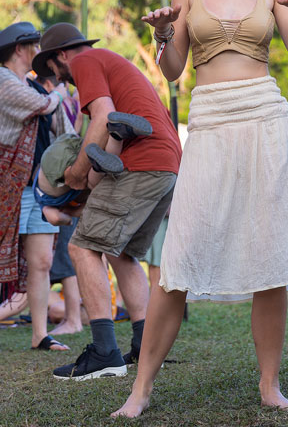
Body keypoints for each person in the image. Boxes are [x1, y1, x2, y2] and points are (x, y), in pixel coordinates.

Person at [113, 0, 288, 418]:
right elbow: (174, 68)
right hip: (209, 119)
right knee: (181, 254)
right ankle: (140, 390)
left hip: (264, 117)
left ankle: (269, 384)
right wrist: (163, 36)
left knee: (269, 255)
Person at [31, 22, 182, 380]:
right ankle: (145, 344)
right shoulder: (111, 63)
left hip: (141, 162)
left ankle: (104, 353)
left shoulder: (85, 62)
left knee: (83, 249)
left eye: (52, 69)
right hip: (168, 163)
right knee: (121, 252)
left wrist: (76, 175)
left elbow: (101, 115)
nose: (60, 78)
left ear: (61, 57)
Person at [0, 22, 70, 352]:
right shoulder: (3, 80)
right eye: (34, 46)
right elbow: (43, 107)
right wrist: (58, 93)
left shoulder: (31, 86)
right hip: (9, 186)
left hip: (37, 186)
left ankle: (40, 334)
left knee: (41, 261)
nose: (37, 53)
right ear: (19, 49)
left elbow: (59, 127)